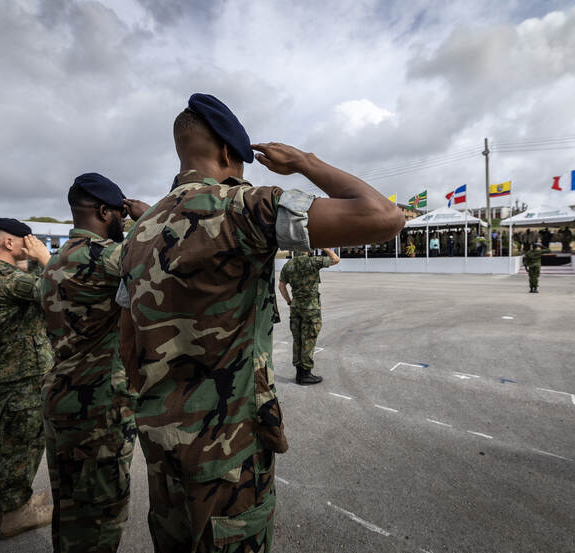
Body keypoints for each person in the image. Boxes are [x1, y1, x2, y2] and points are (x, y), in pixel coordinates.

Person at [118, 93, 404, 553]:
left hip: (161, 447)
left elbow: (127, 342)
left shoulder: (140, 231)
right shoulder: (245, 208)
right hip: (228, 454)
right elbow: (384, 216)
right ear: (230, 154)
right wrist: (305, 161)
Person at [40, 173, 148, 553]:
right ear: (104, 211)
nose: (123, 218)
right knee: (101, 517)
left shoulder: (53, 262)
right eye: (118, 212)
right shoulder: (106, 258)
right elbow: (160, 250)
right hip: (98, 407)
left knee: (70, 509)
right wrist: (143, 215)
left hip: (61, 395)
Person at [0, 219, 54, 538]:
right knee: (21, 443)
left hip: (8, 370)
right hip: (20, 374)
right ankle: (14, 512)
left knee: (8, 440)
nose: (28, 245)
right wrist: (45, 258)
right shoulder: (3, 277)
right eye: (25, 241)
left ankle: (9, 505)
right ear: (9, 244)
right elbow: (58, 287)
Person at [278, 248, 340, 385]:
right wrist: (325, 247)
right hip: (311, 308)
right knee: (309, 339)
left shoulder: (288, 265)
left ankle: (299, 374)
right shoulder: (313, 261)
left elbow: (281, 286)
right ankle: (305, 374)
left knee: (298, 339)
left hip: (295, 308)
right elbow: (336, 259)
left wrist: (289, 301)